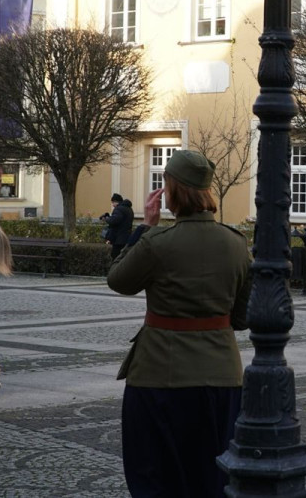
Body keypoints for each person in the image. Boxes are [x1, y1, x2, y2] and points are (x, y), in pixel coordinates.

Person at [106, 149, 252, 497]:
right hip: (222, 377)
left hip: (158, 376)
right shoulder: (236, 244)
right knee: (212, 478)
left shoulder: (157, 242)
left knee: (155, 476)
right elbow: (242, 318)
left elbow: (118, 280)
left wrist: (144, 227)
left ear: (171, 191)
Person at [103, 193, 134, 260]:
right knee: (124, 258)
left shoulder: (119, 209)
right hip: (127, 237)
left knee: (115, 257)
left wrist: (107, 219)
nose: (112, 205)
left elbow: (114, 221)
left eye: (113, 202)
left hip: (119, 239)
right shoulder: (129, 209)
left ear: (116, 201)